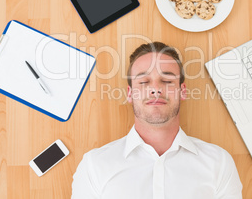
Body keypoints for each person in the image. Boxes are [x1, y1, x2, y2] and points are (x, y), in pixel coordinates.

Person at [72, 42, 243, 198]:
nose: (155, 89)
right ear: (130, 93)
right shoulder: (94, 165)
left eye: (167, 80)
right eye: (144, 81)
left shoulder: (219, 163)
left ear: (182, 91)